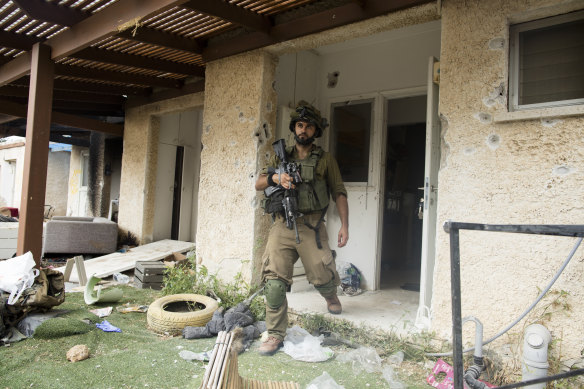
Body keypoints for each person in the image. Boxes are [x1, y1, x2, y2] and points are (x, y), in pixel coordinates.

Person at [254, 100, 349, 356]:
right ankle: (274, 335)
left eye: (308, 126)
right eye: (299, 125)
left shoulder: (325, 160)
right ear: (293, 128)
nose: (303, 130)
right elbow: (259, 183)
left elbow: (339, 192)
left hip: (312, 225)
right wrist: (276, 177)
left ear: (315, 131)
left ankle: (330, 296)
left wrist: (344, 226)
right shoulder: (279, 156)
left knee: (321, 274)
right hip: (283, 224)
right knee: (273, 282)